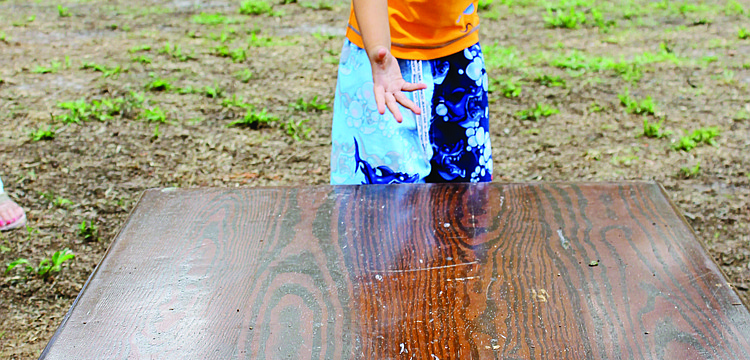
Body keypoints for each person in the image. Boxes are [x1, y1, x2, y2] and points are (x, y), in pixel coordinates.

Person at [330, 0, 493, 185]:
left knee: (466, 198)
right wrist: (377, 51)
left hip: (461, 49)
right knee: (380, 201)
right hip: (386, 58)